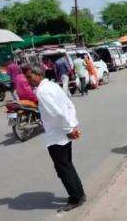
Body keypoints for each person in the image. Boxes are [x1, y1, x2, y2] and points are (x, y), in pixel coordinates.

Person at [25, 66, 86, 212]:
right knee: (67, 165)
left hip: (57, 135)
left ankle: (76, 197)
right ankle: (79, 193)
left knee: (63, 168)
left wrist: (69, 129)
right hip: (63, 132)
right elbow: (68, 105)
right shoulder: (52, 85)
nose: (28, 80)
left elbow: (58, 113)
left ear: (38, 74)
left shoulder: (42, 91)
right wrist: (72, 125)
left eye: (29, 76)